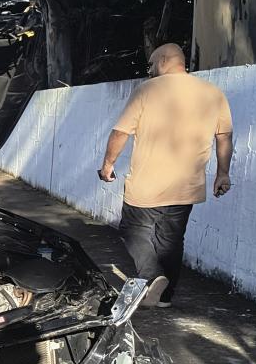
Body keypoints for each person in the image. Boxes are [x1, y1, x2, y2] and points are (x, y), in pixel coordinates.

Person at [97, 42, 234, 308]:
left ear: (162, 61)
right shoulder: (213, 93)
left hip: (146, 185)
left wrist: (108, 165)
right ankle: (165, 298)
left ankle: (151, 277)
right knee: (170, 241)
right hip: (186, 187)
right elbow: (224, 136)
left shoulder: (147, 90)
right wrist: (222, 174)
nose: (149, 70)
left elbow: (120, 132)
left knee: (131, 230)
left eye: (150, 64)